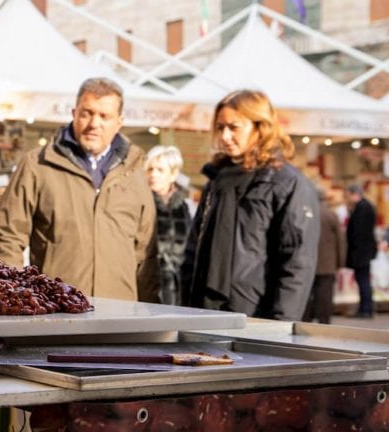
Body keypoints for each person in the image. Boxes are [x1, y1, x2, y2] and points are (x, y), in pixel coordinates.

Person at [0, 77, 159, 302]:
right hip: (55, 313)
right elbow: (8, 237)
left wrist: (148, 314)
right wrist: (15, 298)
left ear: (119, 122)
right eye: (87, 113)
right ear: (74, 113)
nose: (94, 124)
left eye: (104, 116)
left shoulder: (135, 170)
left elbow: (146, 252)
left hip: (120, 313)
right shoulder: (37, 165)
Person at [180, 90, 320, 321]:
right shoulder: (216, 180)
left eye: (233, 127)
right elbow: (193, 249)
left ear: (259, 127)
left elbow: (297, 264)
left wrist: (279, 327)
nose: (225, 136)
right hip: (204, 312)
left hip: (256, 316)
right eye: (220, 127)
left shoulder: (286, 183)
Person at [145, 145, 191, 305]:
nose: (153, 175)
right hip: (147, 286)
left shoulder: (183, 207)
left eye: (160, 170)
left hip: (179, 290)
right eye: (150, 169)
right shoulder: (140, 203)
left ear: (173, 174)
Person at [303, 188, 345, 324]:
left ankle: (306, 319)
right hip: (327, 263)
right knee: (325, 294)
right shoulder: (331, 215)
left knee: (306, 293)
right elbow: (340, 241)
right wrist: (340, 262)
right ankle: (324, 320)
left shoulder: (305, 214)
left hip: (308, 261)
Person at [345, 184, 377, 318]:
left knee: (363, 280)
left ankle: (365, 309)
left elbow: (358, 232)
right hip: (364, 250)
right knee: (363, 280)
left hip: (361, 251)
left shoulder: (362, 208)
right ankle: (366, 308)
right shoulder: (365, 206)